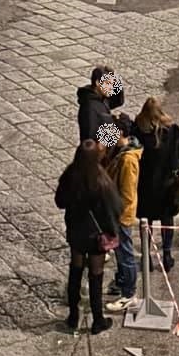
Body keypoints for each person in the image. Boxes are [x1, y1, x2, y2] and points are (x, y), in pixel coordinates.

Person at [55, 140, 123, 334]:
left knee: (75, 271)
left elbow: (60, 201)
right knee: (96, 275)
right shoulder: (102, 180)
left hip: (76, 232)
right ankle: (97, 319)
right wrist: (112, 231)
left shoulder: (70, 175)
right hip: (96, 236)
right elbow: (115, 209)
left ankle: (73, 316)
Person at [132, 98, 179, 275]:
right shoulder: (172, 131)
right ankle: (167, 254)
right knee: (167, 221)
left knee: (146, 222)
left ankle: (147, 256)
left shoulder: (137, 131)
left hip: (145, 185)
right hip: (168, 185)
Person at [103, 115, 143, 312]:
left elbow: (127, 194)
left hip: (121, 216)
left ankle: (129, 293)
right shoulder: (121, 152)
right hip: (116, 213)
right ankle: (122, 283)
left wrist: (119, 218)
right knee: (121, 254)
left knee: (125, 254)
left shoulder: (127, 159)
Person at [76, 65, 120, 142]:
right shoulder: (89, 108)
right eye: (108, 83)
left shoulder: (102, 97)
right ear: (97, 83)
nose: (111, 88)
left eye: (113, 84)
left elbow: (118, 101)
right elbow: (90, 137)